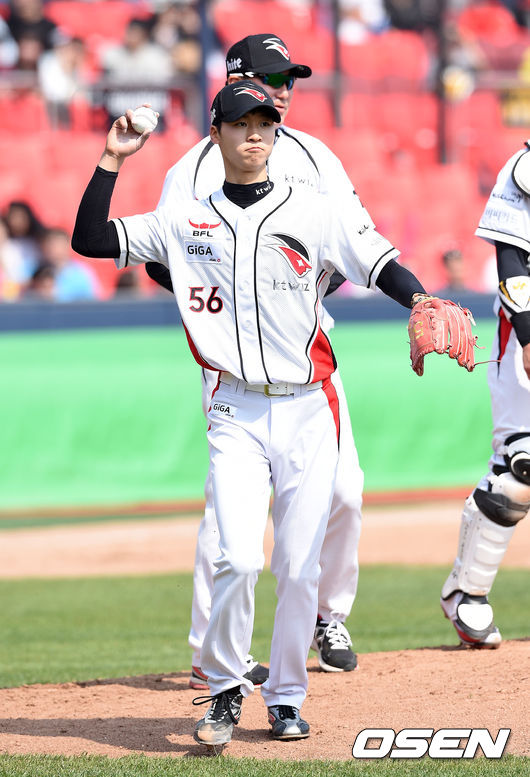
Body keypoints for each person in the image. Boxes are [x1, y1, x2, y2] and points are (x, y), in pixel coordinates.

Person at [71, 81, 438, 746]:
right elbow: (90, 238)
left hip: (309, 407)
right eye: (241, 123)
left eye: (265, 122)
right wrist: (113, 157)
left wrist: (419, 300)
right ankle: (223, 689)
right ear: (216, 133)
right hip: (234, 408)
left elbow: (380, 261)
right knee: (238, 558)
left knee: (297, 567)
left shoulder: (315, 209)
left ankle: (287, 697)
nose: (255, 134)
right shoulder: (186, 218)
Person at [152, 33, 378, 689]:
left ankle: (327, 617)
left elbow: (353, 240)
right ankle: (209, 649)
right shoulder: (193, 170)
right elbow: (164, 258)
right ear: (236, 82)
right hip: (231, 361)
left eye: (291, 80)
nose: (285, 91)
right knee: (228, 511)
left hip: (309, 351)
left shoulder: (314, 155)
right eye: (275, 79)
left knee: (346, 490)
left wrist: (306, 289)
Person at [440, 140, 530, 648]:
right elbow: (511, 258)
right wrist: (529, 333)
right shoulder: (524, 168)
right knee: (521, 465)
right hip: (525, 326)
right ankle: (467, 593)